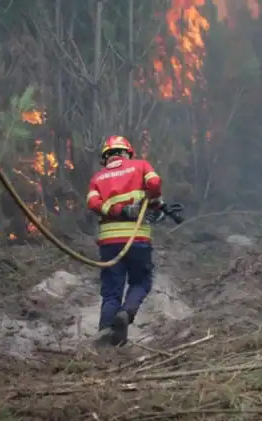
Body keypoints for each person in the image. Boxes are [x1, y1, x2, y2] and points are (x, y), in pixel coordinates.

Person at [86, 135, 164, 347]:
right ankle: (126, 313)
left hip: (109, 242)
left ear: (106, 157)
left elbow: (92, 203)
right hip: (137, 239)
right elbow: (154, 182)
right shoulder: (141, 165)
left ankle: (105, 336)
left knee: (111, 291)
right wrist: (153, 200)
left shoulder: (98, 177)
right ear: (127, 152)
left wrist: (118, 210)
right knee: (141, 281)